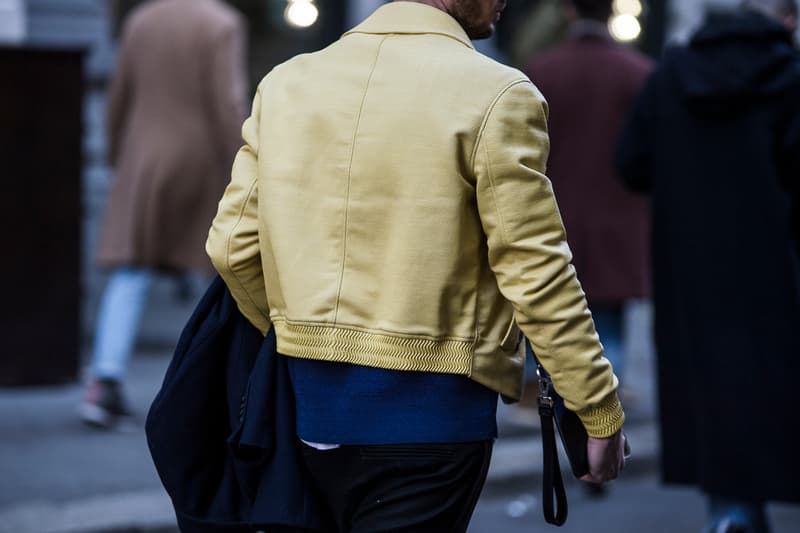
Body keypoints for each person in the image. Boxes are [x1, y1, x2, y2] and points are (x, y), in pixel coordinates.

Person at [207, 1, 627, 530]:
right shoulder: (497, 95)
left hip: (308, 410)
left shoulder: (287, 84)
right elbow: (536, 273)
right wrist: (596, 406)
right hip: (434, 416)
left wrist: (297, 330)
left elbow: (232, 248)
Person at [615, 1, 800, 531]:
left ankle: (730, 512)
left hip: (690, 264)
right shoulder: (787, 76)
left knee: (709, 388)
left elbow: (630, 162)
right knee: (767, 387)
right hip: (772, 267)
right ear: (785, 21)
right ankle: (748, 509)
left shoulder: (670, 75)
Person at [80, 0, 248, 428]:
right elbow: (227, 103)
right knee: (223, 270)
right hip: (201, 160)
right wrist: (247, 162)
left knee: (131, 271)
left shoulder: (141, 20)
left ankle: (104, 381)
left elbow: (119, 95)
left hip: (144, 156)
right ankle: (223, 388)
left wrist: (120, 153)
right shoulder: (221, 24)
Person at [525, 0, 653, 399]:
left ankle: (537, 386)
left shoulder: (539, 72)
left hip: (553, 208)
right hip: (619, 212)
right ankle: (604, 391)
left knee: (546, 306)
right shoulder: (639, 73)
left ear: (568, 12)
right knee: (608, 315)